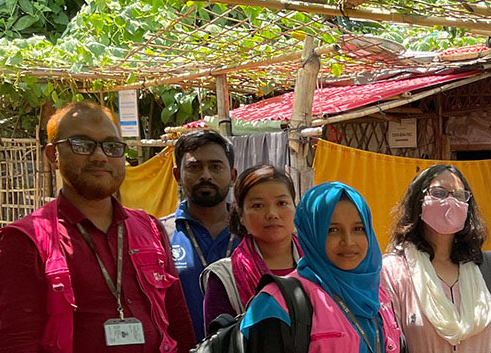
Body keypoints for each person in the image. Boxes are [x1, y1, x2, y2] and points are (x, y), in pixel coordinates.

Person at [0, 101, 196, 352]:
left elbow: (179, 323)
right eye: (82, 144)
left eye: (112, 146)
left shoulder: (149, 228)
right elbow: (16, 342)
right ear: (52, 155)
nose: (100, 156)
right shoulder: (25, 240)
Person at [241, 182, 402, 352]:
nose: (348, 241)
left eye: (358, 228)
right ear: (311, 233)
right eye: (332, 230)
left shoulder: (378, 297)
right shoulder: (278, 303)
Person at [382, 165, 491, 352]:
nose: (450, 201)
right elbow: (389, 343)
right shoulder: (393, 271)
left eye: (459, 196)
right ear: (419, 201)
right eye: (439, 193)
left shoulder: (488, 269)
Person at [200, 164, 301, 327]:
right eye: (258, 205)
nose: (272, 214)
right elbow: (219, 343)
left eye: (281, 203)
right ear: (241, 216)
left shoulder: (320, 266)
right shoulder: (225, 277)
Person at [161, 129, 239, 338]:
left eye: (215, 166)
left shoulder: (253, 232)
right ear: (177, 175)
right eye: (194, 167)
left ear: (233, 176)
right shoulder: (160, 235)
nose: (206, 175)